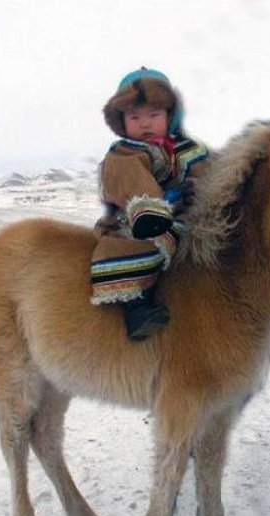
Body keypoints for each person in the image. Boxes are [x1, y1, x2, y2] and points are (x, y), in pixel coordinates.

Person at [91, 67, 207, 341]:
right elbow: (120, 181)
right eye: (135, 117)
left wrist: (202, 192)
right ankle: (136, 309)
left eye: (154, 115)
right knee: (133, 251)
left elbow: (209, 174)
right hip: (133, 226)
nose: (144, 124)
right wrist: (150, 208)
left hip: (181, 221)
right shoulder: (124, 153)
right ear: (121, 121)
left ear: (170, 115)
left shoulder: (188, 150)